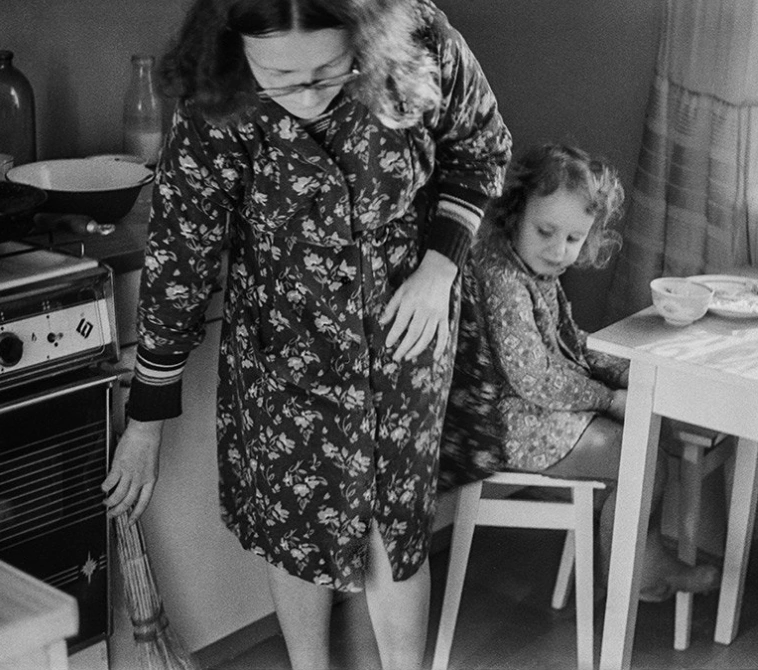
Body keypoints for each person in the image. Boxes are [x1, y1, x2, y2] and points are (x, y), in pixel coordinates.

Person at [100, 1, 511, 668]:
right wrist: (146, 420)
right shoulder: (216, 101)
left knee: (394, 528)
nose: (308, 95)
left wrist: (440, 266)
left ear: (367, 35)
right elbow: (181, 254)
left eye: (329, 70)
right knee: (296, 528)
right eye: (281, 77)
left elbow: (480, 144)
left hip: (404, 335)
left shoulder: (421, 40)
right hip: (282, 352)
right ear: (237, 50)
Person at [442, 143, 719, 601]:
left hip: (531, 409)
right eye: (546, 231)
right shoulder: (503, 276)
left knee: (649, 434)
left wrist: (633, 370)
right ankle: (632, 572)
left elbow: (571, 343)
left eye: (572, 239)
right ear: (514, 213)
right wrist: (609, 397)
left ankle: (638, 561)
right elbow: (534, 376)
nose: (557, 250)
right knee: (639, 450)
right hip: (501, 421)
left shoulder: (535, 271)